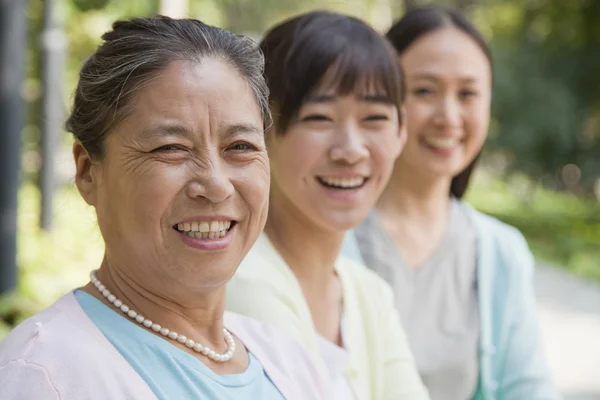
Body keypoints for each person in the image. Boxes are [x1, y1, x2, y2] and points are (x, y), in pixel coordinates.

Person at [0, 16, 330, 400]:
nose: (216, 185)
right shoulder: (47, 374)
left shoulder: (288, 361)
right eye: (170, 148)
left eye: (240, 147)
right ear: (88, 171)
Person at [341, 6, 560, 400]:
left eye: (468, 94)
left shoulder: (500, 252)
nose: (448, 116)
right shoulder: (328, 235)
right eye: (424, 90)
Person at [226, 11, 429, 400]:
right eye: (318, 118)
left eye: (374, 118)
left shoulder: (367, 293)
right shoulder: (240, 280)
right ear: (261, 131)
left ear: (401, 132)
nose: (350, 150)